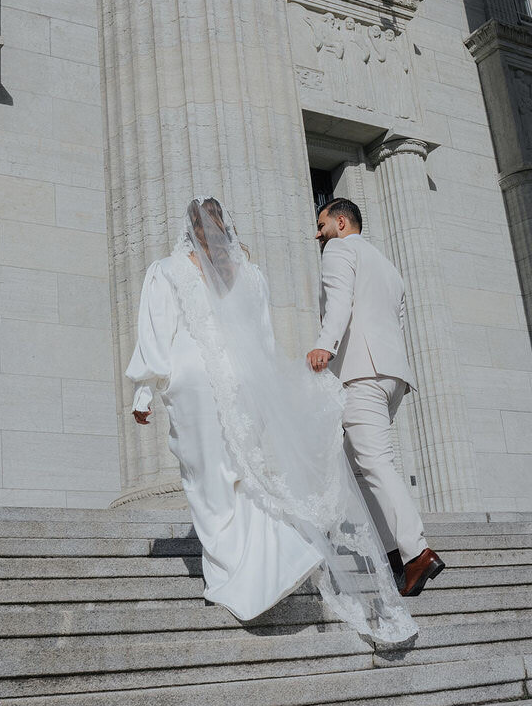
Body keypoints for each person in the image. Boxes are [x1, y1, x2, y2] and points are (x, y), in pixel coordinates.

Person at [127, 197, 417, 649]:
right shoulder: (249, 272)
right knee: (243, 475)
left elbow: (156, 330)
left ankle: (233, 577)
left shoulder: (168, 270)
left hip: (194, 381)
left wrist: (144, 390)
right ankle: (272, 556)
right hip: (243, 383)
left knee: (207, 482)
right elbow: (261, 340)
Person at [307, 198, 445, 597]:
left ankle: (416, 551)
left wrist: (324, 346)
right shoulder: (388, 266)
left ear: (342, 222)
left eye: (322, 224)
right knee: (358, 464)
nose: (318, 234)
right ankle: (394, 556)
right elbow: (397, 322)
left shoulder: (339, 249)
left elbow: (340, 303)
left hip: (361, 371)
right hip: (392, 375)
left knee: (375, 461)